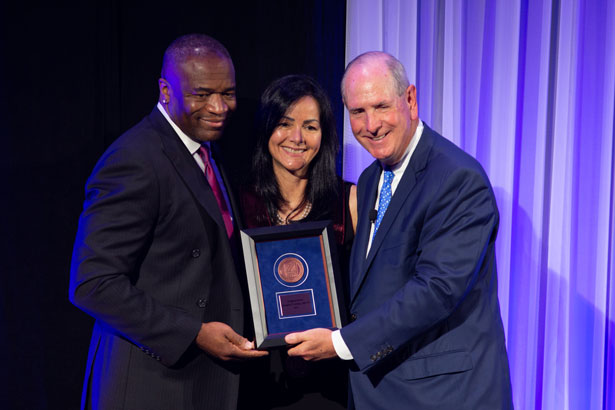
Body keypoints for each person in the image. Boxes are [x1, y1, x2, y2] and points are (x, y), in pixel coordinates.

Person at [284, 51, 513, 409]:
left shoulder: (457, 178)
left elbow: (437, 289)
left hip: (442, 395)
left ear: (410, 99)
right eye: (358, 112)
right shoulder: (372, 176)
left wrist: (342, 343)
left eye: (380, 107)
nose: (370, 124)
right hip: (381, 388)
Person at [69, 34, 267, 410]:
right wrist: (193, 333)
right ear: (165, 90)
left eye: (228, 93)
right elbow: (92, 283)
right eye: (202, 94)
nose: (219, 107)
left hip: (199, 383)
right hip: (150, 386)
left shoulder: (209, 149)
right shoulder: (134, 159)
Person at [238, 74, 357, 409]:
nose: (297, 138)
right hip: (256, 377)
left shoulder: (349, 202)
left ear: (325, 135)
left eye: (310, 126)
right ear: (266, 130)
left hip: (331, 379)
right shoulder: (238, 202)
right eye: (285, 124)